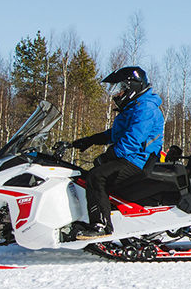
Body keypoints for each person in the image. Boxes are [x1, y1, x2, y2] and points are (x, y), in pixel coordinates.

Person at [70, 66, 165, 238]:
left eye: (121, 89)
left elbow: (134, 138)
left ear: (131, 87)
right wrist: (90, 140)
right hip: (133, 157)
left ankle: (101, 226)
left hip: (139, 160)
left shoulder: (145, 108)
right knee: (90, 175)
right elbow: (116, 134)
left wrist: (110, 155)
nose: (117, 94)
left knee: (96, 176)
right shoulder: (135, 106)